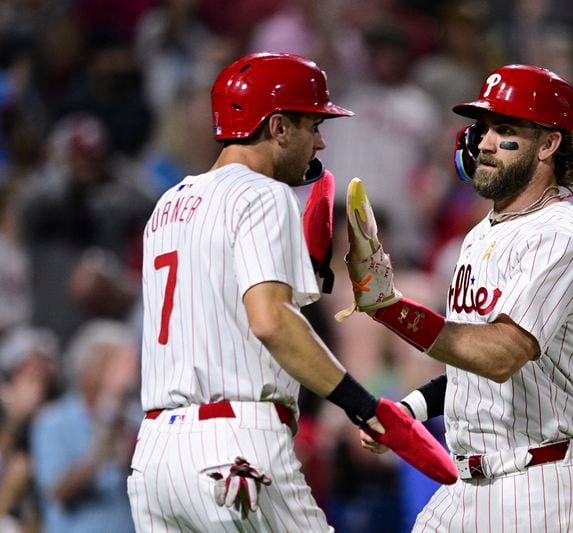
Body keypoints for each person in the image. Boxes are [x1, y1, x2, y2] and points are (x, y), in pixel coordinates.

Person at [128, 52, 453, 532]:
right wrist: (364, 406)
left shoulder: (168, 204)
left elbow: (222, 311)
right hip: (234, 444)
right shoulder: (264, 193)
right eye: (312, 124)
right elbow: (269, 321)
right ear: (278, 128)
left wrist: (312, 276)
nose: (320, 140)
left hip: (155, 455)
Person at [352, 64, 573, 531]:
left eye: (506, 129)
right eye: (484, 127)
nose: (485, 142)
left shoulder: (559, 239)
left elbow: (500, 355)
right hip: (467, 488)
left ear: (549, 144)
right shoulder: (478, 236)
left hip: (539, 490)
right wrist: (408, 410)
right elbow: (471, 371)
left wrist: (391, 310)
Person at [31, 320, 140, 533]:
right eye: (122, 365)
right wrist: (103, 442)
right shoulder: (52, 421)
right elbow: (56, 491)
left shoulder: (134, 418)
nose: (132, 377)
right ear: (93, 370)